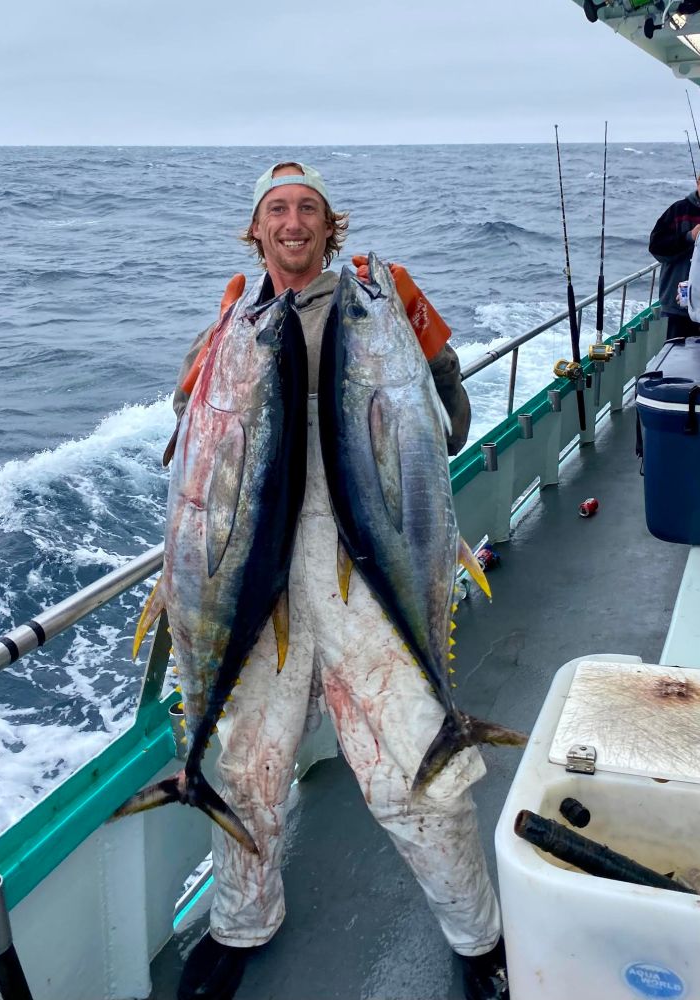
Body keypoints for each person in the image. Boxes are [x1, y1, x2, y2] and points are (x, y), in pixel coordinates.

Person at [171, 162, 509, 1000]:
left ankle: (479, 939)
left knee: (409, 760)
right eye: (276, 210)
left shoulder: (379, 298)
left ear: (331, 226)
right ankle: (241, 922)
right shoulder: (233, 322)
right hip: (254, 562)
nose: (292, 222)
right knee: (246, 764)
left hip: (364, 557)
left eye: (308, 209)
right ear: (255, 230)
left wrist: (437, 393)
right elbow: (195, 447)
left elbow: (447, 406)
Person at [649, 175, 700, 341]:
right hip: (680, 306)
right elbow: (657, 247)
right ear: (698, 183)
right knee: (679, 356)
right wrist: (689, 237)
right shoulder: (678, 211)